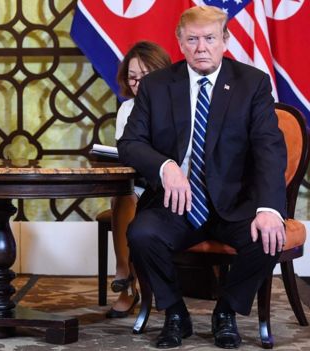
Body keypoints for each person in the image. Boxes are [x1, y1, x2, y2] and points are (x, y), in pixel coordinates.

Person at [117, 5, 286, 349]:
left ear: (225, 40)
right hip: (176, 202)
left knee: (268, 239)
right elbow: (130, 142)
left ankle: (226, 311)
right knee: (142, 233)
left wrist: (269, 208)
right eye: (192, 39)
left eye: (209, 38)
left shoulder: (251, 83)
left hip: (235, 202)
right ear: (180, 42)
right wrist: (166, 168)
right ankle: (175, 312)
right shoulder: (156, 85)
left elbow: (269, 148)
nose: (201, 47)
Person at [106, 41, 171, 319]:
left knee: (130, 197)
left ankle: (132, 282)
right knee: (123, 194)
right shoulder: (127, 109)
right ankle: (126, 278)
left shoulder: (177, 105)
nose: (137, 83)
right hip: (139, 183)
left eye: (145, 76)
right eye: (132, 77)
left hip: (171, 185)